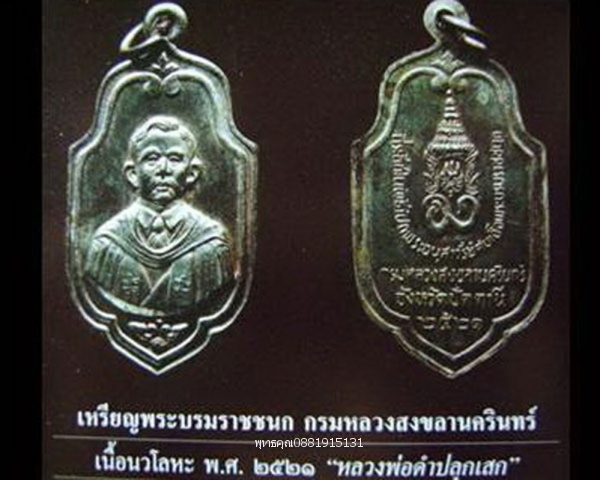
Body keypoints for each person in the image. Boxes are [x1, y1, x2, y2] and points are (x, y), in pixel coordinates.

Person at [85, 115, 234, 316]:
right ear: (132, 173)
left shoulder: (213, 245)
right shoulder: (106, 244)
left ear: (192, 173)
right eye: (152, 158)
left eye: (175, 159)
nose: (163, 169)